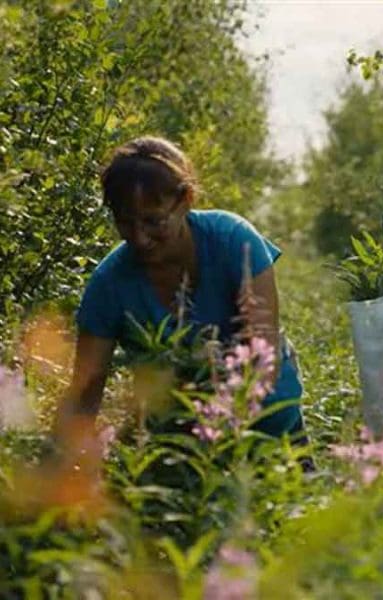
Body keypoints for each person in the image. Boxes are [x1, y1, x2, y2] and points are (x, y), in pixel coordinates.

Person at [55, 136, 305, 445]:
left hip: (268, 431)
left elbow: (261, 364)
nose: (140, 237)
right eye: (125, 222)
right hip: (172, 441)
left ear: (185, 200)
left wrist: (211, 439)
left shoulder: (233, 242)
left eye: (153, 221)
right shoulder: (109, 284)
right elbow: (84, 395)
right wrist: (54, 469)